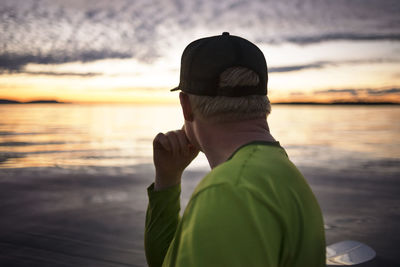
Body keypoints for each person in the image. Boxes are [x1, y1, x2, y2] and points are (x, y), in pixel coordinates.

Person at [145, 32, 326, 267]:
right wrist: (167, 179)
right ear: (262, 101)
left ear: (186, 106)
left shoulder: (228, 190)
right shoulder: (281, 170)